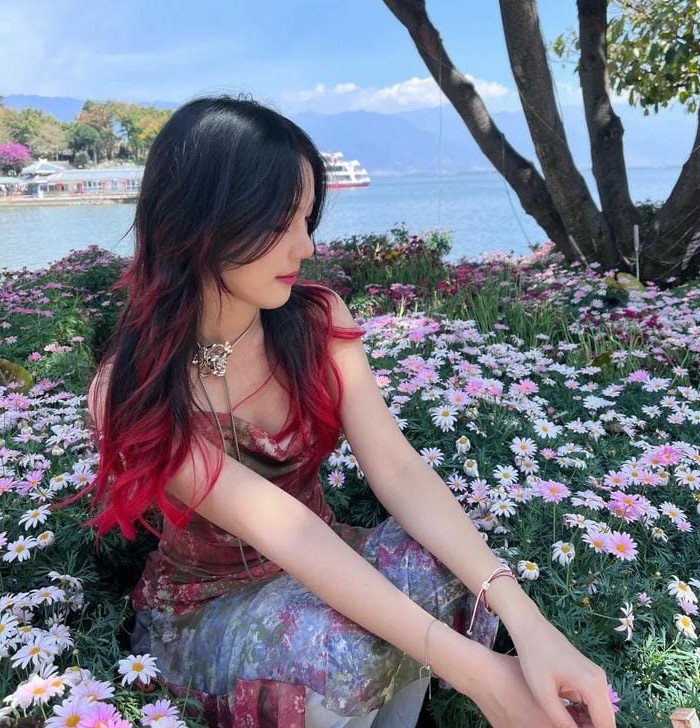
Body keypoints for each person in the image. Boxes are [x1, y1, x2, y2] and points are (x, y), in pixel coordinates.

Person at [85, 96, 617, 728]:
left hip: (322, 566)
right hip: (210, 606)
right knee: (335, 646)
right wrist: (484, 676)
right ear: (202, 220)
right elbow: (290, 533)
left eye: (307, 218)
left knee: (446, 567)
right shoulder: (131, 388)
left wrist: (532, 627)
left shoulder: (313, 320)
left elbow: (397, 469)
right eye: (280, 222)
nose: (306, 246)